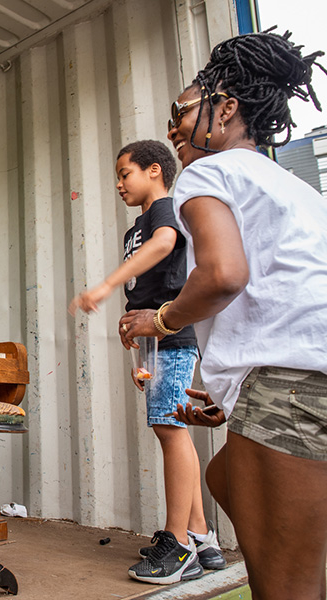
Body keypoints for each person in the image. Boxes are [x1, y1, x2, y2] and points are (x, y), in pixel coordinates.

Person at [118, 31, 327, 599]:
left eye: (179, 112)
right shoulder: (296, 187)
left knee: (285, 589)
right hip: (301, 378)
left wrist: (158, 321)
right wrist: (236, 391)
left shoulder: (208, 172)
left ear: (225, 108)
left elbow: (223, 275)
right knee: (221, 475)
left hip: (293, 389)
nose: (172, 130)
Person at [69, 140, 224, 585]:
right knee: (170, 427)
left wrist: (103, 286)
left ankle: (178, 547)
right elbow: (146, 287)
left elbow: (165, 244)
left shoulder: (165, 211)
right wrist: (132, 331)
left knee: (169, 429)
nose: (119, 184)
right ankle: (202, 537)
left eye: (125, 174)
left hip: (174, 336)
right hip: (154, 344)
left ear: (154, 171)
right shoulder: (134, 228)